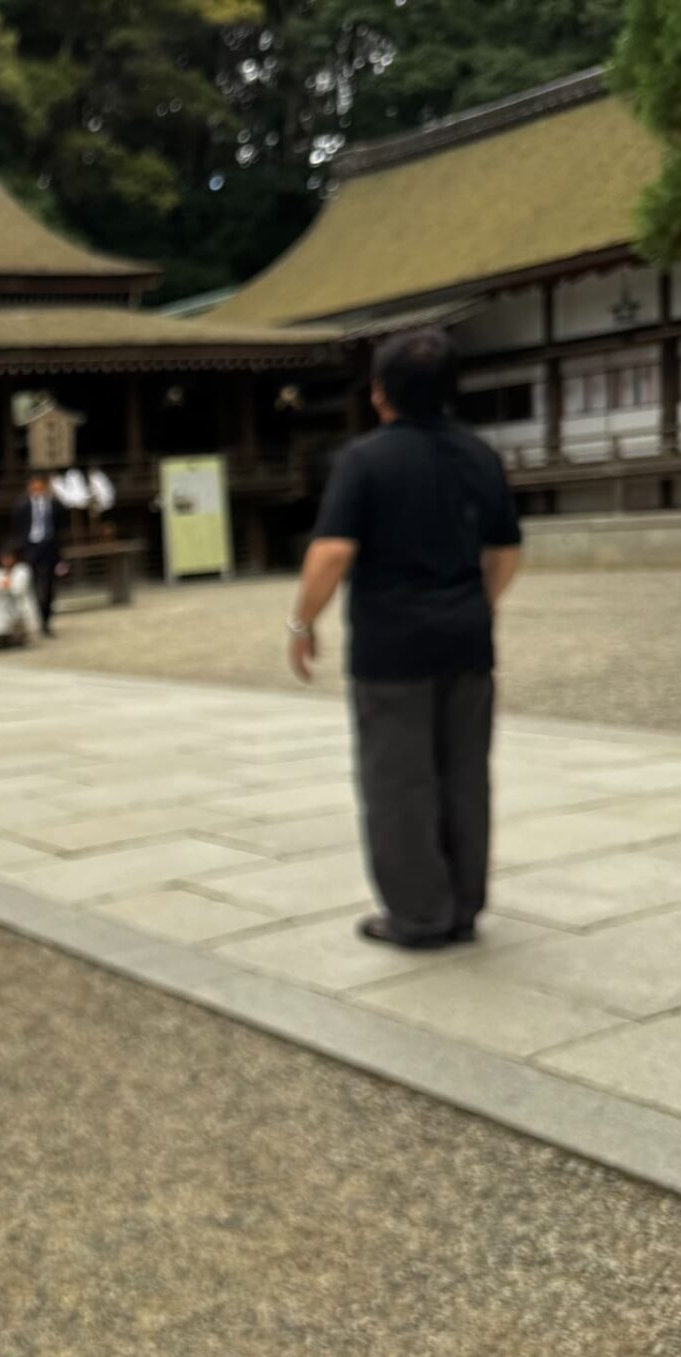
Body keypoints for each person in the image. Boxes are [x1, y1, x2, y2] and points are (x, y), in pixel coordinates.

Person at [287, 328, 523, 949]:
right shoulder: (480, 456)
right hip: (467, 640)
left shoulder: (365, 460)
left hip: (391, 645)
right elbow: (505, 550)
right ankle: (463, 906)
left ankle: (419, 914)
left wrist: (302, 621)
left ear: (379, 392)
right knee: (464, 774)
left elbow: (332, 552)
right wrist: (478, 604)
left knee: (399, 780)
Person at [11, 471, 64, 635]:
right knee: (30, 585)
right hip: (30, 547)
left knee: (49, 586)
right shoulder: (22, 505)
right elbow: (17, 527)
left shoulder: (54, 504)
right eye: (34, 487)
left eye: (40, 486)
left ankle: (46, 620)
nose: (37, 490)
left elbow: (61, 524)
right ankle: (34, 618)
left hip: (49, 546)